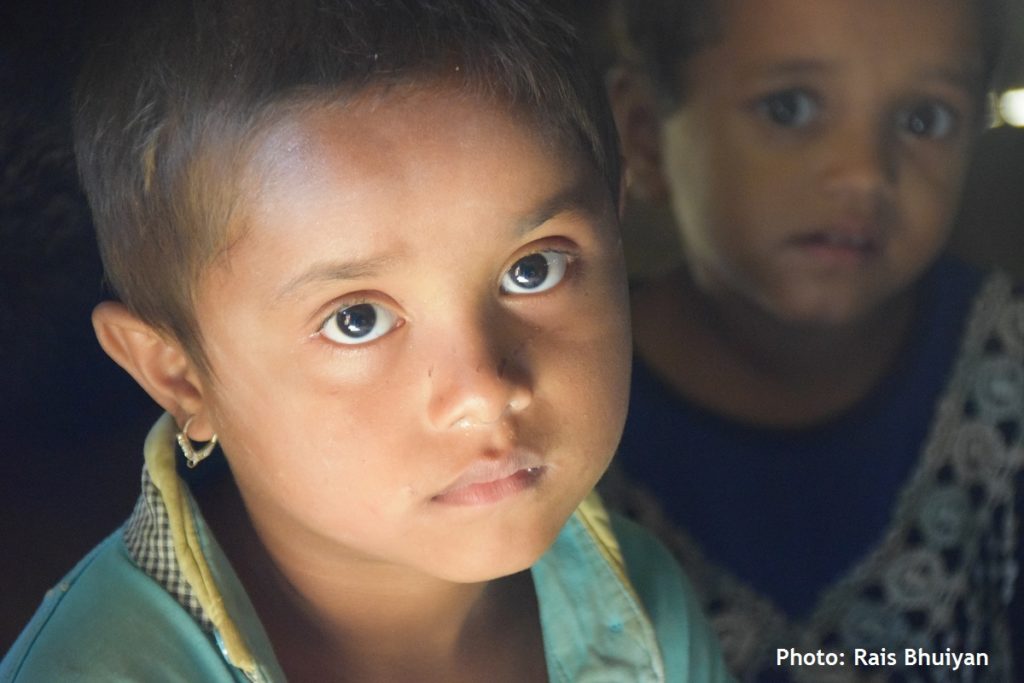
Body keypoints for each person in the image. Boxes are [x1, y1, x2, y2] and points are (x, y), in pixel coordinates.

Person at [0, 1, 732, 680]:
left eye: (533, 269)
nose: (482, 391)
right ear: (181, 377)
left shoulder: (648, 612)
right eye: (357, 319)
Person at [604, 0, 1023, 680]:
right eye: (789, 107)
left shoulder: (1010, 372)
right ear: (647, 135)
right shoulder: (541, 408)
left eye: (925, 119)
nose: (863, 173)